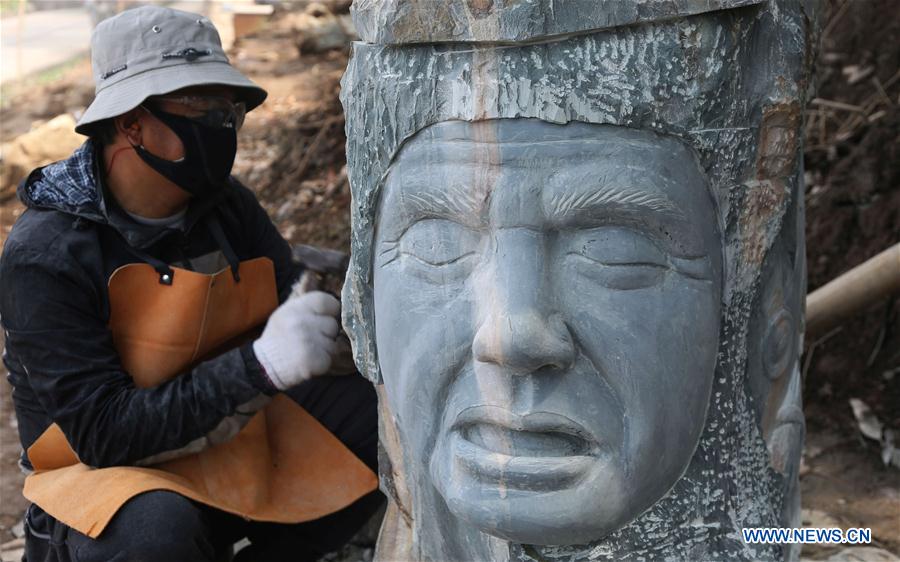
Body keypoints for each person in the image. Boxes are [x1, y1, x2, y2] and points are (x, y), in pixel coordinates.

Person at [0, 6, 381, 562]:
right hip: (100, 475)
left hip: (216, 435)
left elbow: (283, 295)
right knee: (155, 532)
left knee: (380, 415)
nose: (222, 123)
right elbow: (102, 434)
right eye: (199, 106)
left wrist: (336, 312)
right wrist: (261, 366)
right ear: (130, 123)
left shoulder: (225, 208)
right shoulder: (46, 254)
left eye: (229, 107)